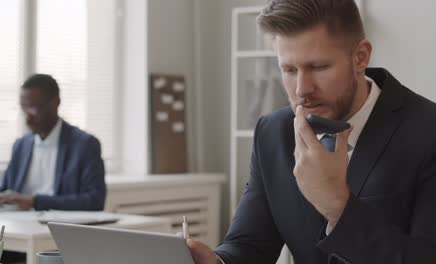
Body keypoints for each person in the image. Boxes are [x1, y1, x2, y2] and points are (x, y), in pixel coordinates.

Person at [187, 0, 436, 263]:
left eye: (318, 67)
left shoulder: (428, 131)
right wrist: (217, 262)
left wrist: (337, 204)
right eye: (289, 70)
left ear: (360, 57)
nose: (301, 90)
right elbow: (250, 244)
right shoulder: (272, 133)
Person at [0, 74, 106, 211]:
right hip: (18, 225)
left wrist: (34, 201)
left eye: (33, 107)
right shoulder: (20, 145)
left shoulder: (84, 145)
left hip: (57, 227)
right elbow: (4, 191)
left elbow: (95, 201)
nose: (27, 118)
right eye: (24, 108)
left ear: (56, 103)